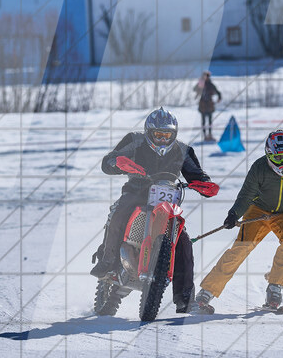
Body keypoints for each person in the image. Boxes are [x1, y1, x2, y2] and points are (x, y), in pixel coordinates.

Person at [90, 107, 220, 313]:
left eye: (167, 135)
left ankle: (186, 300)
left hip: (166, 202)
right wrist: (118, 162)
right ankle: (107, 262)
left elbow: (197, 175)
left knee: (184, 242)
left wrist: (205, 185)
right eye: (158, 135)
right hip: (136, 192)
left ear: (174, 134)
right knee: (119, 213)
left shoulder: (183, 150)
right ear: (149, 132)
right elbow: (109, 161)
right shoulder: (135, 140)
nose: (162, 139)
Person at [194, 130, 283, 313]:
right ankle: (207, 292)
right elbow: (247, 195)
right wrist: (234, 214)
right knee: (240, 249)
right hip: (258, 212)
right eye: (277, 157)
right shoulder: (259, 167)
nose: (282, 162)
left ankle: (275, 288)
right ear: (268, 154)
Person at [193, 71, 222, 141]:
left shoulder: (210, 84)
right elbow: (194, 89)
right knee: (203, 121)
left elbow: (218, 92)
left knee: (209, 121)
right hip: (203, 105)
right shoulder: (201, 83)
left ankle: (210, 135)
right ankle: (205, 136)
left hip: (209, 104)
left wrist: (219, 98)